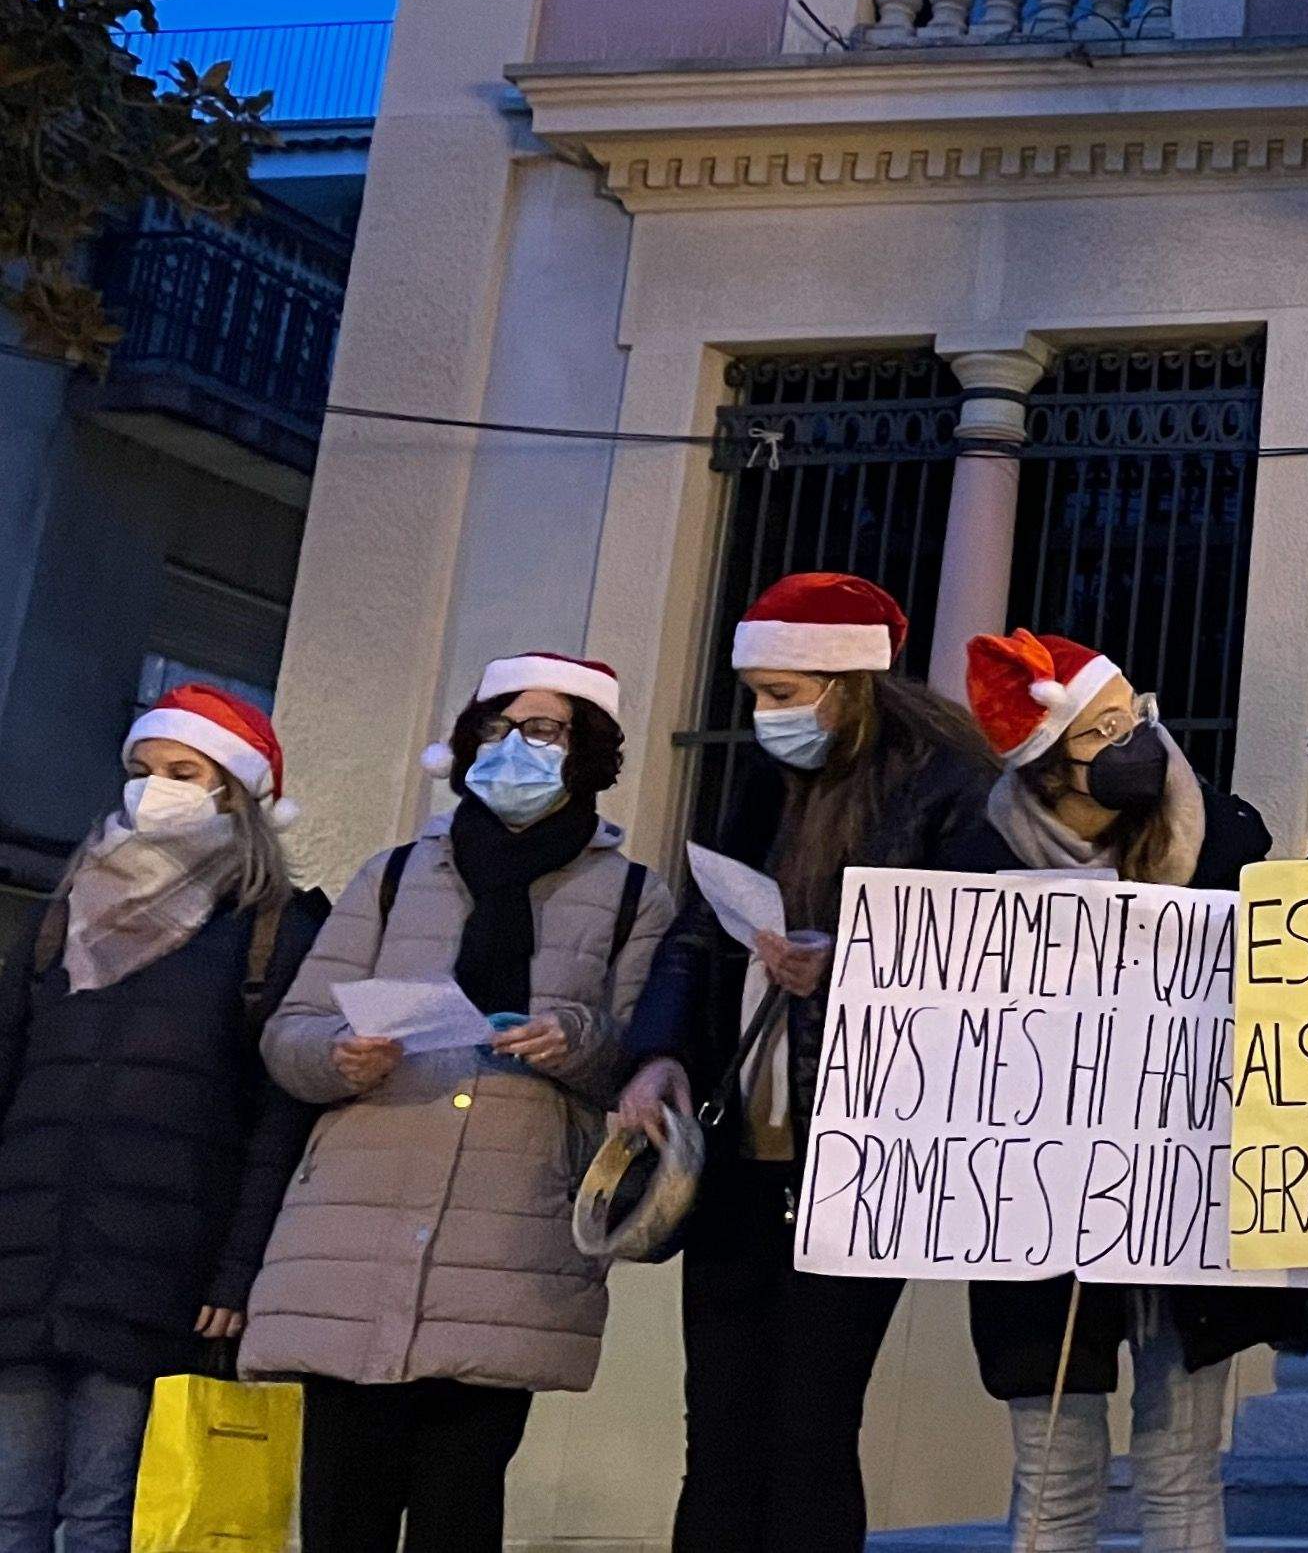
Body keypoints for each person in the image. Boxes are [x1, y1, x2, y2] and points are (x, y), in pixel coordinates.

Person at [248, 653, 672, 1553]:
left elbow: (645, 1055)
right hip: (358, 1215)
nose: (514, 747)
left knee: (459, 1499)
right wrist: (338, 1055)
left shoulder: (635, 893)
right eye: (497, 726)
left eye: (544, 730)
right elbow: (291, 1032)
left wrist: (578, 1040)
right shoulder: (397, 874)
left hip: (507, 1228)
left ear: (586, 751)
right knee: (340, 1504)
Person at [618, 572, 997, 1553]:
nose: (763, 717)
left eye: (783, 694)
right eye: (755, 694)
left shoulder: (952, 785)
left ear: (848, 683)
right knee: (719, 1432)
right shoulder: (766, 783)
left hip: (860, 1155)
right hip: (744, 1146)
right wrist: (658, 1054)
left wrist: (846, 961)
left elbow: (973, 951)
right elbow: (701, 925)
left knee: (813, 1427)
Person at [933, 628, 1296, 1553]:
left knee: (1181, 1471)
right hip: (1037, 1214)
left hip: (1184, 1207)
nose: (1139, 739)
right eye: (1105, 730)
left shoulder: (1228, 836)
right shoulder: (973, 861)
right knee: (1052, 1476)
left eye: (1134, 715)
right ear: (1048, 764)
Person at [0, 687, 323, 1550]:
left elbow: (275, 1124)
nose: (155, 788)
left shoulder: (272, 931)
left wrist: (237, 1270)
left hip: (158, 1268)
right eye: (142, 771)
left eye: (183, 771)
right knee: (12, 1513)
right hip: (27, 1259)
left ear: (236, 793)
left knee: (109, 1510)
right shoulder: (58, 918)